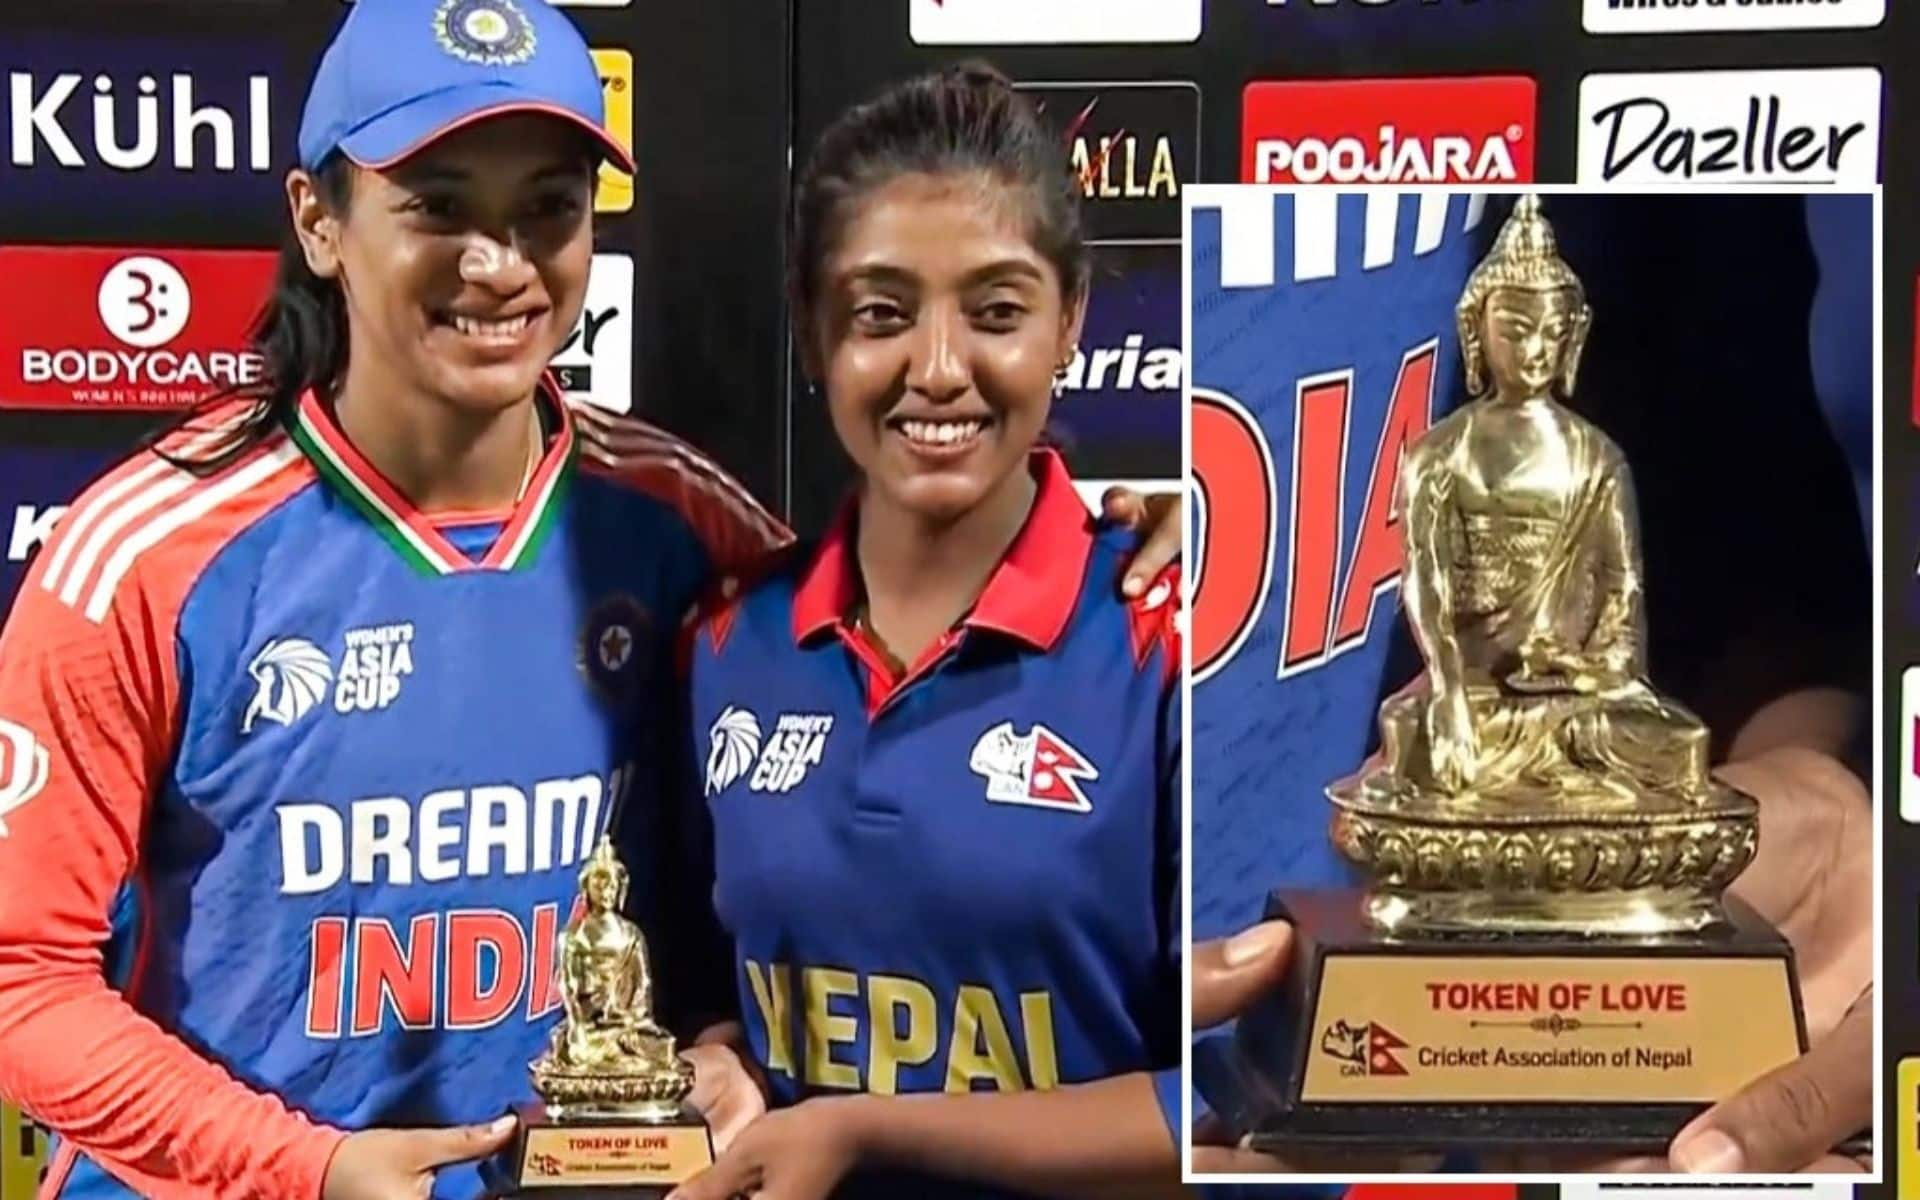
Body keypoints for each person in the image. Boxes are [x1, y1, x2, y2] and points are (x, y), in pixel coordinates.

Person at [0, 5, 1184, 1198]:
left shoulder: (685, 524)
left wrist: (1159, 545)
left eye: (548, 209)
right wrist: (306, 1169)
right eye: (440, 206)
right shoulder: (145, 556)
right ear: (320, 221)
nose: (499, 263)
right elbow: (22, 979)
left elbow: (862, 758)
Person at [1188, 192, 1871, 1176]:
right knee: (1432, 751)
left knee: (1663, 743)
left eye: (1552, 326)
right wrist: (1471, 681)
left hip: (1569, 700)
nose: (1536, 342)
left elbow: (1626, 603)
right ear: (1480, 330)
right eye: (1516, 324)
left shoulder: (1593, 457)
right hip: (1467, 697)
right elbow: (1425, 590)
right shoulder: (1447, 453)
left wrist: (1590, 676)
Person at [664, 64, 1183, 1200]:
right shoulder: (720, 642)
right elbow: (700, 985)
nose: (939, 369)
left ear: (1072, 322)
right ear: (813, 334)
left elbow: (1244, 1107)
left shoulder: (1177, 640)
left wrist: (869, 1131)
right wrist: (719, 1059)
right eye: (881, 315)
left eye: (997, 312)